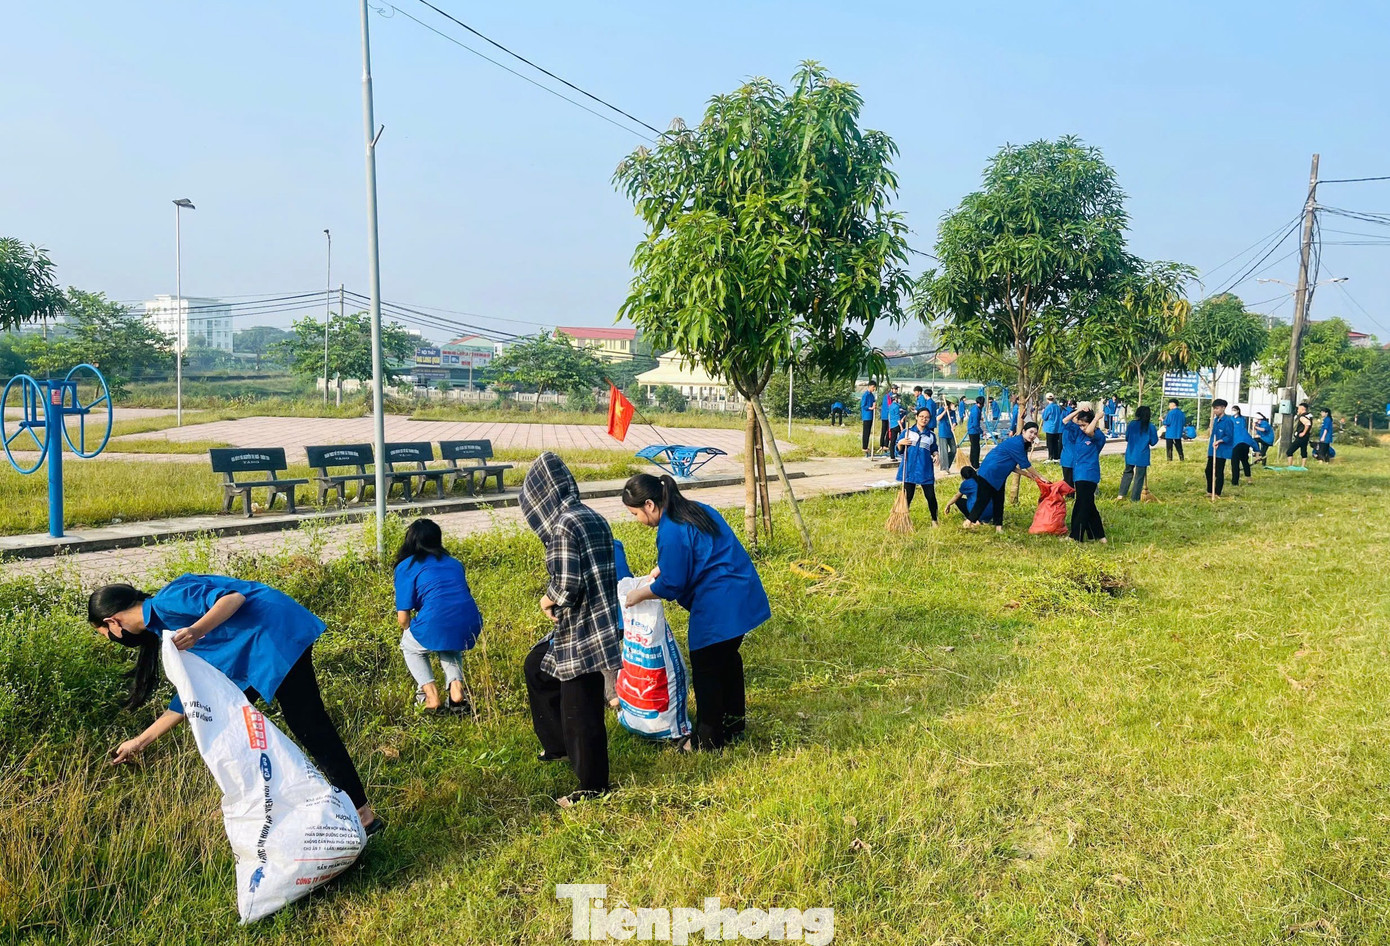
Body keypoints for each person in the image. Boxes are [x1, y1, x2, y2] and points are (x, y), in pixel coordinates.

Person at [88, 576, 381, 834]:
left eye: (105, 635)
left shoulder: (167, 601)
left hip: (272, 635)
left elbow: (233, 598)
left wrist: (197, 630)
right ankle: (260, 809)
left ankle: (363, 815)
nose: (114, 640)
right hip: (253, 652)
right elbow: (191, 697)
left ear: (112, 622)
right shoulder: (159, 630)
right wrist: (139, 742)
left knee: (310, 726)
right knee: (232, 729)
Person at [621, 474, 769, 750]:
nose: (637, 520)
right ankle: (734, 724)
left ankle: (707, 740)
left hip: (719, 605)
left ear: (650, 505)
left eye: (635, 513)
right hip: (741, 592)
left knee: (706, 668)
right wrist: (662, 568)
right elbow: (702, 550)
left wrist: (638, 594)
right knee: (727, 660)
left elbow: (673, 584)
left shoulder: (670, 529)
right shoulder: (695, 509)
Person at [519, 452, 622, 805]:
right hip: (599, 619)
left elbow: (566, 584)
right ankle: (558, 746)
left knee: (582, 708)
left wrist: (546, 601)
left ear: (542, 494)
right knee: (537, 667)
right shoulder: (590, 515)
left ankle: (592, 787)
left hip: (582, 627)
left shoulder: (563, 524)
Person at [393, 518, 482, 715]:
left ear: (410, 540)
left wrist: (413, 629)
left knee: (410, 647)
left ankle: (431, 697)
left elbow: (403, 619)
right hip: (470, 621)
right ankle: (456, 692)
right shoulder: (454, 563)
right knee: (449, 641)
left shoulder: (406, 566)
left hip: (436, 621)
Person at [963, 423, 1045, 533]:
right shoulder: (1017, 443)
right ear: (1023, 431)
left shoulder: (1022, 443)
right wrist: (1040, 476)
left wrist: (1025, 474)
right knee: (983, 500)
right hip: (989, 472)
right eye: (1030, 432)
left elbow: (1010, 464)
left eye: (1035, 433)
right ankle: (967, 523)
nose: (1033, 435)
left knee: (999, 500)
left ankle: (998, 527)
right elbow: (1026, 464)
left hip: (999, 475)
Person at [1063, 408, 1107, 542]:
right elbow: (1065, 421)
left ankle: (1076, 536)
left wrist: (1096, 418)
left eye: (1084, 424)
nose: (1082, 428)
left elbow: (1089, 431)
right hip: (1079, 473)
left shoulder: (1098, 436)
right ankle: (1099, 536)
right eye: (1080, 425)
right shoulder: (1079, 433)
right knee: (1088, 504)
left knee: (1081, 505)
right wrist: (1079, 410)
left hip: (1089, 474)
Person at [895, 407, 940, 525]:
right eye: (921, 417)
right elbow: (898, 449)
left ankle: (934, 520)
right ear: (916, 417)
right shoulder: (907, 432)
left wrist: (936, 455)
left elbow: (933, 449)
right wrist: (900, 443)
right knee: (907, 496)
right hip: (909, 469)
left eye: (927, 418)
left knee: (930, 496)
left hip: (925, 469)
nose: (924, 419)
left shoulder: (930, 435)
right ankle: (902, 520)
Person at [1117, 405, 1158, 502]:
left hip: (1131, 453)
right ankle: (1134, 498)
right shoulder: (1150, 426)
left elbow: (1127, 437)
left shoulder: (1132, 424)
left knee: (1127, 473)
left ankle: (1121, 494)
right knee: (1139, 477)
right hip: (1142, 455)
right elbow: (1153, 442)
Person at [1206, 399, 1234, 497]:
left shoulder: (1228, 421)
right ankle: (1210, 491)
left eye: (1217, 408)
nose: (1215, 411)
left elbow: (1229, 436)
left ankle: (1217, 492)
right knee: (1208, 470)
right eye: (1214, 409)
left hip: (1222, 451)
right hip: (1212, 449)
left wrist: (1220, 441)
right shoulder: (1215, 420)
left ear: (1223, 408)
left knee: (1218, 472)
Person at [1059, 400, 1083, 487]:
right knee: (1068, 482)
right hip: (1068, 459)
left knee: (1078, 481)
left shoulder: (1081, 428)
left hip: (1077, 459)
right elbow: (1064, 420)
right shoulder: (1067, 426)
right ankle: (1069, 497)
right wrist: (1078, 411)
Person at [1229, 406, 1254, 484]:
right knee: (1244, 461)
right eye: (1232, 410)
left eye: (1235, 410)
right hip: (1243, 443)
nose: (1233, 411)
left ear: (1238, 411)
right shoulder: (1231, 419)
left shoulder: (1242, 419)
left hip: (1238, 444)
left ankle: (1235, 481)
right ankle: (1248, 479)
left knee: (1236, 462)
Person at [936, 396, 957, 473]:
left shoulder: (953, 412)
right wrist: (945, 411)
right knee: (944, 451)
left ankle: (946, 463)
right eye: (954, 404)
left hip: (950, 433)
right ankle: (944, 468)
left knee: (954, 450)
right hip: (943, 433)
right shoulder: (941, 409)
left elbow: (954, 421)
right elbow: (938, 418)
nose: (955, 406)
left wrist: (954, 425)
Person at [1042, 393, 1064, 461]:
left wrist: (1043, 412)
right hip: (1057, 428)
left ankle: (1050, 457)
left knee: (1050, 443)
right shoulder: (1057, 407)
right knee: (1055, 443)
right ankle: (1056, 457)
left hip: (1050, 428)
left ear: (1047, 399)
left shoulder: (1048, 407)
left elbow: (1044, 417)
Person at [879, 385, 899, 458]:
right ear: (892, 389)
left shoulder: (890, 396)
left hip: (888, 415)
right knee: (885, 430)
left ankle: (885, 444)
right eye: (895, 389)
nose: (896, 390)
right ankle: (882, 445)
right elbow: (889, 406)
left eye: (897, 389)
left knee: (888, 430)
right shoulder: (888, 396)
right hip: (887, 416)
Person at [884, 390, 904, 461]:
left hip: (892, 425)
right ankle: (901, 452)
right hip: (896, 425)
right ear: (895, 399)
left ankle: (892, 456)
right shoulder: (896, 407)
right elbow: (897, 418)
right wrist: (901, 427)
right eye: (898, 398)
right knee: (902, 439)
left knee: (892, 441)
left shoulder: (891, 406)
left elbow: (890, 416)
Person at [967, 396, 985, 468]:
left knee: (973, 447)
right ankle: (975, 464)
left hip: (973, 431)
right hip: (973, 431)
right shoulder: (976, 411)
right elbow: (975, 424)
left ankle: (973, 462)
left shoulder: (976, 408)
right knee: (976, 448)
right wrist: (981, 431)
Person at [859, 382, 877, 458]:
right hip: (866, 416)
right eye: (873, 387)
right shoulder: (865, 395)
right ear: (869, 386)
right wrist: (871, 408)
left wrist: (874, 406)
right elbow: (863, 406)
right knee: (866, 432)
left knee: (869, 432)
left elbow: (873, 403)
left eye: (875, 387)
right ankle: (864, 447)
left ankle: (867, 447)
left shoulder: (872, 395)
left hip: (871, 416)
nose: (874, 389)